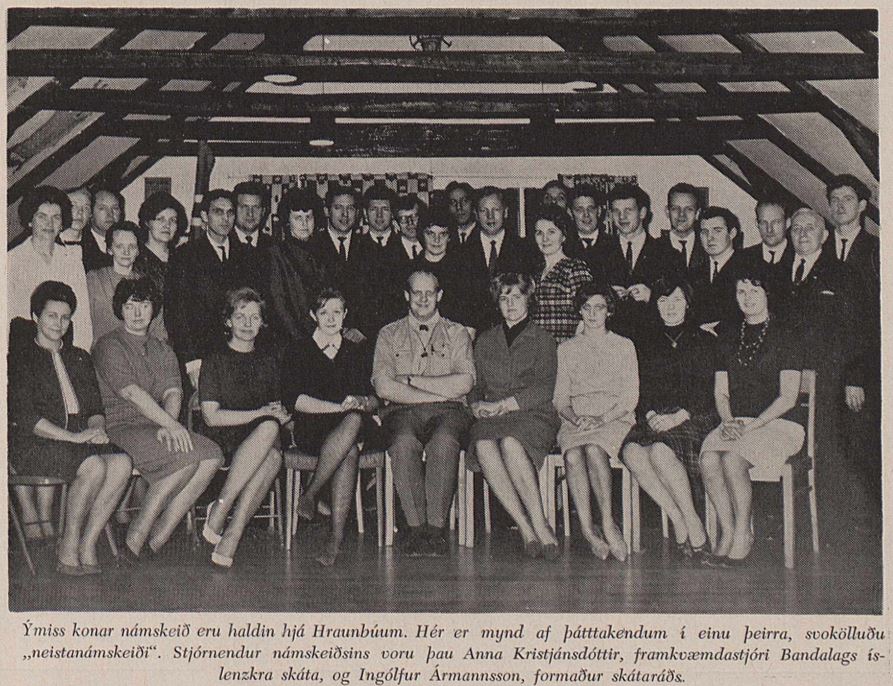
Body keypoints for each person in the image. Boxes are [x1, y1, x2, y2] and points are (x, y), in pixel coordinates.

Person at [93, 278, 223, 560]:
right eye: (130, 306)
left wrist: (169, 424)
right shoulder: (108, 344)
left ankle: (159, 537)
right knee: (184, 461)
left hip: (155, 425)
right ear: (120, 309)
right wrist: (170, 425)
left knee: (212, 455)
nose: (137, 313)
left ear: (154, 309)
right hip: (120, 426)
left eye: (144, 305)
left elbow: (173, 391)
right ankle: (136, 538)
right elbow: (131, 392)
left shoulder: (162, 348)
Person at [8, 281, 132, 575]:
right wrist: (74, 437)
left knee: (122, 463)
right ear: (36, 317)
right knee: (94, 466)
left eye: (65, 317)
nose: (59, 323)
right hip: (35, 442)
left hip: (77, 438)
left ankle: (88, 543)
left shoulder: (79, 357)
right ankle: (68, 545)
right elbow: (27, 418)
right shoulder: (19, 359)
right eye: (51, 316)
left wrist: (97, 429)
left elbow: (94, 409)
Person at [699, 266, 805, 565]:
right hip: (736, 422)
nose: (747, 297)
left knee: (732, 460)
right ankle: (727, 531)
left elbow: (788, 398)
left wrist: (751, 427)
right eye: (741, 291)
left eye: (755, 291)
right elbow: (721, 392)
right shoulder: (727, 336)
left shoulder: (787, 335)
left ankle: (744, 531)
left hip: (779, 424)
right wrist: (728, 420)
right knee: (709, 459)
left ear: (768, 294)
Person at [372, 270, 476, 557]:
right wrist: (439, 391)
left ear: (439, 295)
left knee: (444, 442)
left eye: (429, 293)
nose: (423, 299)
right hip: (401, 411)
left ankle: (436, 530)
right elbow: (383, 386)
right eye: (416, 293)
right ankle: (416, 529)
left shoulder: (457, 333)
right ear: (406, 295)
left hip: (449, 412)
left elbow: (465, 383)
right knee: (402, 443)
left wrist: (409, 380)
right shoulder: (388, 334)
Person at [282, 288, 379, 566]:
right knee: (349, 449)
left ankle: (311, 494)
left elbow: (374, 399)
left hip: (352, 424)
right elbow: (295, 400)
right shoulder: (298, 350)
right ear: (313, 315)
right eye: (324, 312)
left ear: (345, 314)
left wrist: (361, 402)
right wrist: (339, 408)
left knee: (354, 422)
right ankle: (334, 538)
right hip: (312, 427)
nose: (331, 318)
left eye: (337, 312)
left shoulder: (357, 351)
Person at [621, 277, 714, 560]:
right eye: (663, 300)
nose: (670, 307)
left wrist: (679, 417)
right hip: (656, 415)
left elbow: (708, 391)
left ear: (687, 304)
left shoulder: (704, 340)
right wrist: (649, 414)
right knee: (631, 451)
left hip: (694, 415)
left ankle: (693, 521)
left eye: (677, 300)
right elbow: (639, 388)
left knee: (661, 451)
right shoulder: (645, 342)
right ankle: (677, 518)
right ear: (656, 305)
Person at [469, 273, 561, 558]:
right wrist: (475, 405)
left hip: (533, 414)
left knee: (511, 443)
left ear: (528, 300)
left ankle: (540, 523)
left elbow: (547, 387)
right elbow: (475, 385)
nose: (510, 304)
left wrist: (507, 404)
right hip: (493, 416)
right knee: (483, 443)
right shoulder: (485, 341)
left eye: (517, 297)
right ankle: (524, 528)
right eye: (504, 298)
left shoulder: (543, 339)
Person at [199, 288, 288, 567]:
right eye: (240, 316)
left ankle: (232, 529)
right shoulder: (214, 359)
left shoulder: (269, 361)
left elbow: (275, 409)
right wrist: (261, 414)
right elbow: (211, 417)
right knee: (270, 440)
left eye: (254, 317)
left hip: (261, 439)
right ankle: (224, 508)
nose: (248, 324)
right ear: (228, 321)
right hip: (223, 439)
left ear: (262, 323)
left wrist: (281, 414)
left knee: (272, 451)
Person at [554, 282, 638, 561]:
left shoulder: (624, 346)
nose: (592, 314)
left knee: (593, 449)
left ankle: (608, 522)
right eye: (587, 307)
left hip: (613, 418)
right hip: (576, 420)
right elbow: (560, 399)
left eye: (599, 307)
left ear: (609, 311)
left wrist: (600, 419)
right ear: (579, 310)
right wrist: (577, 419)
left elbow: (629, 398)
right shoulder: (566, 349)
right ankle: (588, 531)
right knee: (573, 455)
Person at [824, 174, 880, 511]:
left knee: (863, 448)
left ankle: (869, 522)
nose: (840, 205)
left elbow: (874, 320)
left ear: (861, 205)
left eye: (847, 199)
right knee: (832, 450)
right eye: (834, 200)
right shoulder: (818, 249)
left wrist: (856, 375)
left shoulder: (876, 250)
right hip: (826, 370)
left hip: (863, 371)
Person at [165, 189, 257, 389]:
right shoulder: (185, 256)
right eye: (218, 212)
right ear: (205, 216)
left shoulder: (248, 255)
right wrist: (191, 361)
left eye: (230, 212)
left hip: (242, 351)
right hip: (202, 355)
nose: (225, 219)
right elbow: (177, 313)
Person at [8, 186, 94, 350]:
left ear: (62, 224)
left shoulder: (72, 260)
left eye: (56, 217)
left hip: (66, 348)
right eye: (42, 216)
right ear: (30, 221)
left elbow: (82, 317)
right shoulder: (13, 260)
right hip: (25, 349)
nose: (49, 223)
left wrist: (79, 353)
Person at [599, 184, 684, 343]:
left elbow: (681, 302)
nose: (622, 217)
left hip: (654, 342)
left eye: (628, 210)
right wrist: (607, 296)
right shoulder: (599, 253)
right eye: (616, 211)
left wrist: (651, 295)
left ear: (643, 213)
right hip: (611, 343)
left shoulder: (668, 254)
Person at [265, 186, 329, 343]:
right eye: (298, 218)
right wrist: (305, 341)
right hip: (293, 340)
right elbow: (279, 305)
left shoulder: (323, 253)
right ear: (287, 221)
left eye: (309, 217)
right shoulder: (276, 254)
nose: (304, 223)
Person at [87, 220, 166, 341]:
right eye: (119, 246)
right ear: (109, 249)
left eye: (132, 246)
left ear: (138, 251)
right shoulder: (94, 279)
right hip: (103, 348)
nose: (126, 252)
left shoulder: (147, 283)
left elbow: (158, 330)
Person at [530, 205, 594, 343]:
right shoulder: (536, 272)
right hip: (537, 349)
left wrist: (572, 349)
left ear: (564, 235)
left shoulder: (575, 268)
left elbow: (587, 315)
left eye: (551, 232)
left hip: (565, 348)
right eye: (539, 233)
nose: (545, 239)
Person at [690, 206, 744, 331]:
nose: (710, 238)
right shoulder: (694, 273)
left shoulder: (748, 267)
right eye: (704, 232)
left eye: (717, 231)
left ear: (732, 233)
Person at [134, 191, 188, 309]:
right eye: (160, 219)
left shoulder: (182, 258)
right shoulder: (135, 258)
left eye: (173, 220)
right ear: (147, 222)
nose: (167, 225)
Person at [658, 182, 707, 279]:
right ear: (667, 212)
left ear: (697, 213)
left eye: (689, 209)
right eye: (675, 208)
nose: (681, 215)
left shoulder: (708, 248)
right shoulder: (652, 249)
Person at [81, 187, 122, 272]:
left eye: (115, 208)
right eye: (102, 208)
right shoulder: (81, 244)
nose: (110, 214)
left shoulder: (130, 242)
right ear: (91, 213)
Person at [232, 181, 273, 251]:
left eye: (256, 207)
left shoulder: (273, 246)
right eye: (244, 207)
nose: (250, 213)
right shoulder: (222, 242)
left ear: (263, 211)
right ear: (234, 210)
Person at [58, 186, 92, 257]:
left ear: (90, 214)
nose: (80, 212)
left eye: (86, 207)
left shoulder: (94, 250)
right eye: (73, 205)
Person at [445, 181, 477, 247]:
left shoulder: (484, 233)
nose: (459, 207)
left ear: (473, 203)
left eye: (464, 201)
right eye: (453, 202)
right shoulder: (445, 236)